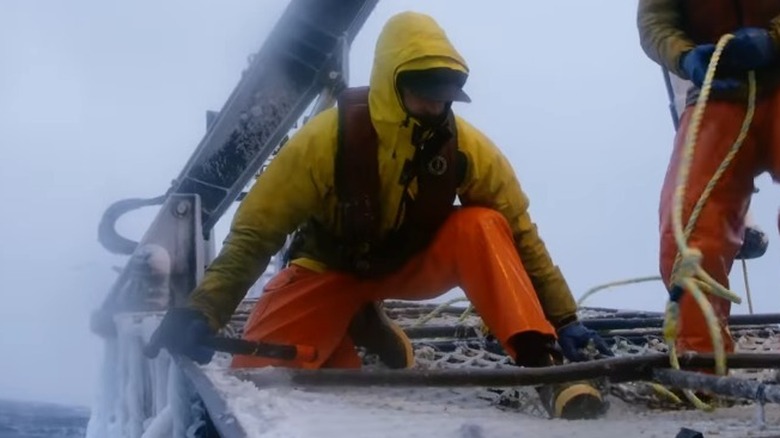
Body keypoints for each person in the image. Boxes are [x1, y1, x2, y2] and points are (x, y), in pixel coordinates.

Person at [148, 11, 611, 419]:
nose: (436, 104)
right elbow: (254, 236)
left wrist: (565, 318)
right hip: (329, 269)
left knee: (485, 225)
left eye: (445, 94)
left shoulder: (468, 150)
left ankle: (544, 365)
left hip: (410, 263)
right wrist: (203, 312)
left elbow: (523, 236)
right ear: (392, 82)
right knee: (258, 372)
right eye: (425, 92)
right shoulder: (321, 142)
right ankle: (356, 319)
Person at [637, 0, 780, 355]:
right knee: (689, 223)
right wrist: (685, 57)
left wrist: (774, 40)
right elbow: (656, 22)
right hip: (717, 93)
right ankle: (701, 359)